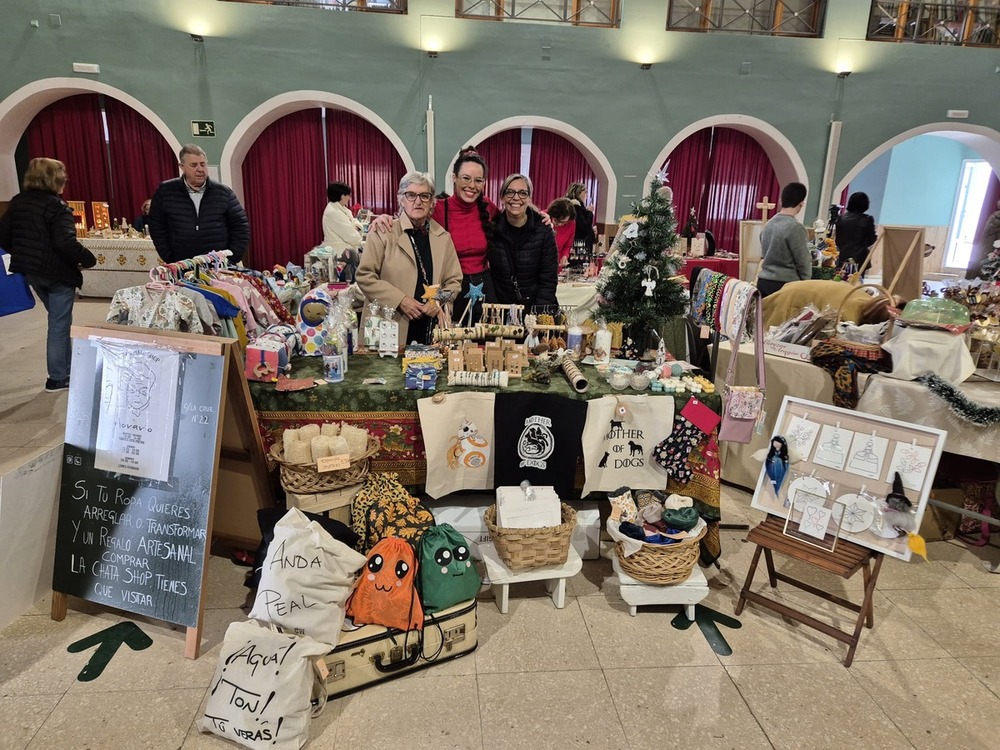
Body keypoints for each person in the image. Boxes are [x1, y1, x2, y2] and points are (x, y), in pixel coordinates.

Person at [0, 157, 97, 392]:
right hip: (57, 273)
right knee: (59, 324)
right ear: (55, 179)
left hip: (31, 272)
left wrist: (26, 254)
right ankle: (57, 377)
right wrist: (88, 259)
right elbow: (65, 242)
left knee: (58, 320)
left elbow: (3, 238)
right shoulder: (57, 206)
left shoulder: (17, 203)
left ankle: (65, 370)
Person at [356, 172, 462, 345]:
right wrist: (400, 300)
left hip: (431, 329)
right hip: (389, 326)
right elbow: (365, 276)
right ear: (401, 199)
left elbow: (454, 282)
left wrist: (437, 299)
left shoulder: (443, 237)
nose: (418, 201)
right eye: (411, 195)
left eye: (424, 196)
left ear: (432, 202)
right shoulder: (383, 232)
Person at [147, 144, 250, 263]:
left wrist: (231, 258)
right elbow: (156, 226)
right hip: (181, 264)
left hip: (218, 265)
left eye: (203, 164)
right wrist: (169, 257)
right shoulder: (165, 191)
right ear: (182, 166)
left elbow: (241, 227)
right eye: (194, 165)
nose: (200, 169)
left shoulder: (223, 192)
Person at [488, 174, 558, 311]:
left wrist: (537, 314)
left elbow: (548, 279)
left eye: (522, 193)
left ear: (529, 198)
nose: (516, 197)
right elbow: (491, 276)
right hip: (501, 310)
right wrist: (495, 311)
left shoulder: (543, 230)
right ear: (502, 197)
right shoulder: (492, 229)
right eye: (510, 192)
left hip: (534, 308)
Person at [757, 181, 811, 298]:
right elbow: (803, 260)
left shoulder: (768, 224)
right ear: (801, 203)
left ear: (781, 201)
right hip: (785, 284)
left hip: (763, 281)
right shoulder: (795, 227)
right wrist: (805, 283)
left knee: (763, 316)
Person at [322, 181, 363, 282]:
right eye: (348, 195)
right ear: (341, 196)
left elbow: (356, 223)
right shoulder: (333, 213)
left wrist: (356, 227)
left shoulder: (343, 209)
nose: (349, 197)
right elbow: (354, 238)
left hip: (347, 254)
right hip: (341, 256)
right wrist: (356, 228)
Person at [834, 191, 878, 274]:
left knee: (840, 280)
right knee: (856, 283)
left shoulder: (841, 218)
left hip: (841, 256)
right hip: (859, 258)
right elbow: (871, 240)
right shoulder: (867, 219)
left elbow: (838, 238)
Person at [566, 182, 596, 255]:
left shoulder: (577, 207)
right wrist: (590, 212)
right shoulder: (575, 206)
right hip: (579, 243)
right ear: (578, 193)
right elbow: (584, 226)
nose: (586, 195)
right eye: (585, 192)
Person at [546, 197, 576, 269]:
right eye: (557, 220)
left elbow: (567, 245)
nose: (560, 224)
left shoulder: (571, 224)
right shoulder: (543, 217)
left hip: (556, 264)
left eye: (564, 222)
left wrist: (564, 256)